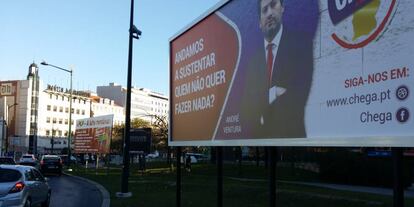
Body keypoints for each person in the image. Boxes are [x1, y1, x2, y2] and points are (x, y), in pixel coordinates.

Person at [240, 0, 314, 138]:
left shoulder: (301, 44)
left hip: (292, 140)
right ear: (259, 22)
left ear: (282, 8)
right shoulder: (253, 62)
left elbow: (298, 96)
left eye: (273, 5)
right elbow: (245, 110)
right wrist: (273, 93)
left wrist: (258, 100)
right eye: (264, 10)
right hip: (260, 140)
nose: (269, 13)